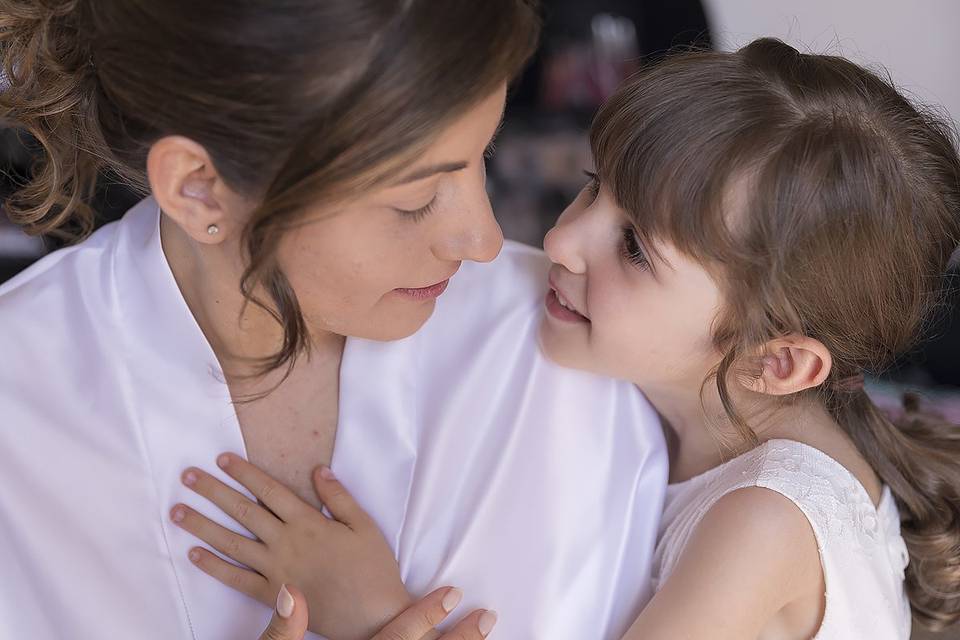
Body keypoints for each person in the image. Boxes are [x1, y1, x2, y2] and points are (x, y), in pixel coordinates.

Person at [185, 39, 960, 638]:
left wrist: (370, 608)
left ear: (778, 361)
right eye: (594, 186)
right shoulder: (727, 430)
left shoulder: (765, 520)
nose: (562, 241)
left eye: (633, 248)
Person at [0, 1, 667, 639]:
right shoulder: (20, 406)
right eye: (414, 199)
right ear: (199, 186)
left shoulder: (564, 362)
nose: (484, 241)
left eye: (478, 158)